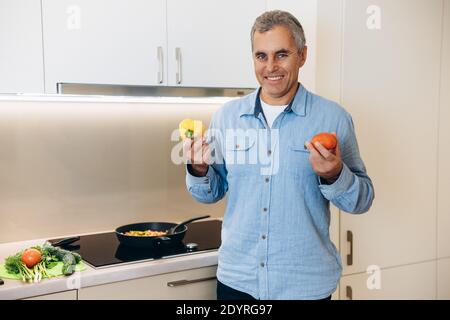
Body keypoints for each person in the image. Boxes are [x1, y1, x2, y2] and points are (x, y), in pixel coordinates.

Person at [182, 10, 374, 300]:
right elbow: (210, 194)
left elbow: (362, 200)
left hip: (305, 287)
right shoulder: (227, 117)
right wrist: (198, 169)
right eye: (261, 56)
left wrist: (334, 174)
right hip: (238, 283)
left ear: (302, 55)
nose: (271, 66)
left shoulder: (333, 119)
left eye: (281, 54)